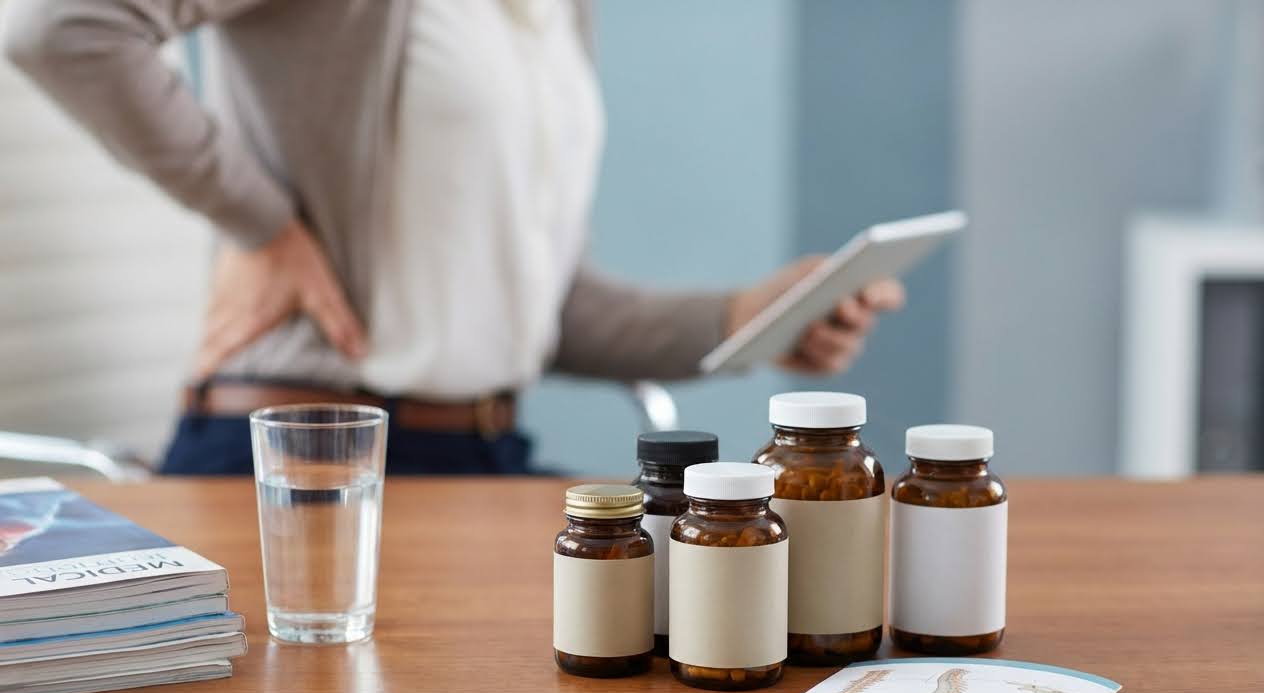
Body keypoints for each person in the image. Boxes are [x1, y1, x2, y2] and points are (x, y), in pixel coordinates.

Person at [3, 0, 905, 474]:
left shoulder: (556, 16)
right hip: (310, 456)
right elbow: (62, 25)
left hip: (480, 455)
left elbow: (545, 309)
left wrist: (745, 317)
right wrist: (263, 223)